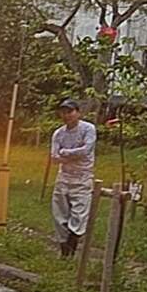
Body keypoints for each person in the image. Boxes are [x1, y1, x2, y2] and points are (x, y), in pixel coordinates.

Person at [50, 98, 97, 257]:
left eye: (70, 111)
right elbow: (54, 157)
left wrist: (66, 153)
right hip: (64, 177)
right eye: (63, 112)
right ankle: (64, 250)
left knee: (79, 215)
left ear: (78, 112)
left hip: (82, 177)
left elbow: (86, 150)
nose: (67, 115)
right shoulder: (59, 133)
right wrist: (69, 155)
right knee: (60, 214)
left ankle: (72, 247)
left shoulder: (88, 129)